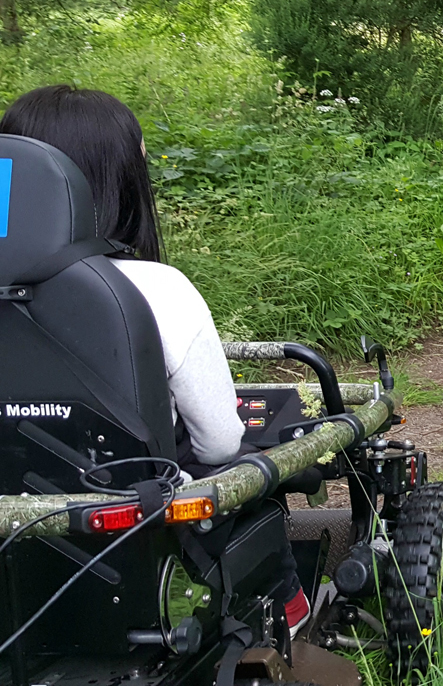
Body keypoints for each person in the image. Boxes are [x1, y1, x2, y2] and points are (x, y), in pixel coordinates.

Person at [0, 84, 310, 633]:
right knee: (249, 478)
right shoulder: (156, 292)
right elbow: (219, 441)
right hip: (140, 542)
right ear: (117, 180)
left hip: (14, 565)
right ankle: (290, 611)